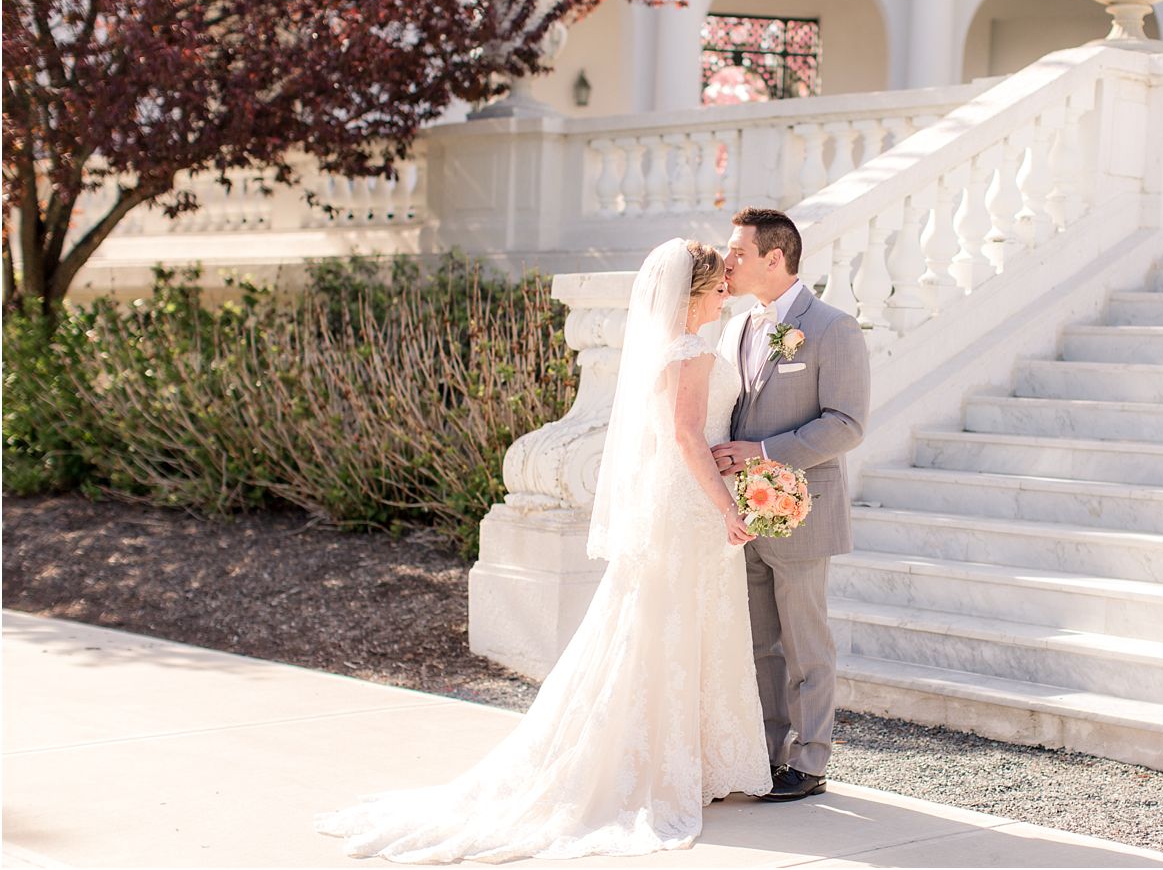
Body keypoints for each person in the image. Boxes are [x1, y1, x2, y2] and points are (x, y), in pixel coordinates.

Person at [315, 239, 772, 863]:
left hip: (678, 500)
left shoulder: (677, 349)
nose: (727, 292)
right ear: (692, 294)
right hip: (692, 504)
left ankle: (689, 760)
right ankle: (667, 765)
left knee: (669, 623)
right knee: (674, 622)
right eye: (718, 286)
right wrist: (726, 505)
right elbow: (688, 437)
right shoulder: (691, 351)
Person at [711, 207, 870, 803]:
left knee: (806, 642)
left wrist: (765, 451)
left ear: (774, 259)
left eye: (739, 252)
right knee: (759, 643)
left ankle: (809, 761)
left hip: (802, 508)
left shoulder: (832, 328)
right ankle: (767, 754)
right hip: (744, 515)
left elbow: (848, 423)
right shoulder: (737, 327)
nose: (729, 261)